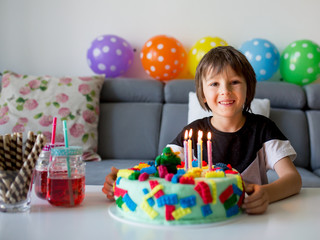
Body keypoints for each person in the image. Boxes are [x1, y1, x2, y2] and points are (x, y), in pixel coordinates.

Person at [102, 46, 302, 214]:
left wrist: (266, 194)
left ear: (248, 88)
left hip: (248, 215)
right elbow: (159, 170)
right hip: (202, 216)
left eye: (234, 82)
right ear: (203, 94)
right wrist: (123, 180)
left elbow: (292, 180)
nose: (225, 90)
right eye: (214, 83)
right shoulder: (192, 133)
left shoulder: (263, 129)